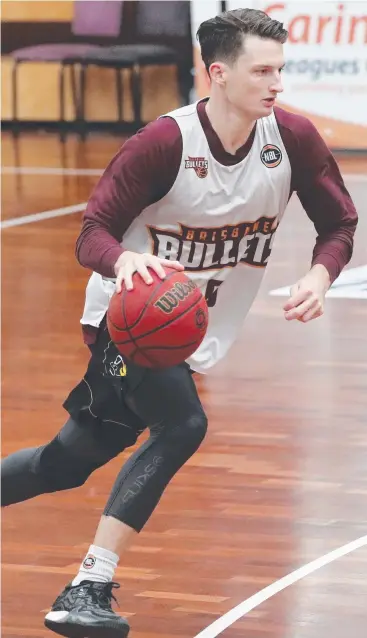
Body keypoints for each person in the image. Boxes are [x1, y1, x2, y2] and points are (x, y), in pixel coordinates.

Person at [1, 7, 358, 638]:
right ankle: (88, 584)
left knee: (64, 465)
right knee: (183, 423)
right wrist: (125, 257)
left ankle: (86, 578)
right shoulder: (164, 143)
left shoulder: (292, 139)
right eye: (262, 71)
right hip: (128, 321)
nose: (277, 84)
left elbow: (340, 224)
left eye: (282, 70)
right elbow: (91, 234)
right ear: (218, 74)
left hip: (191, 335)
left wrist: (319, 274)